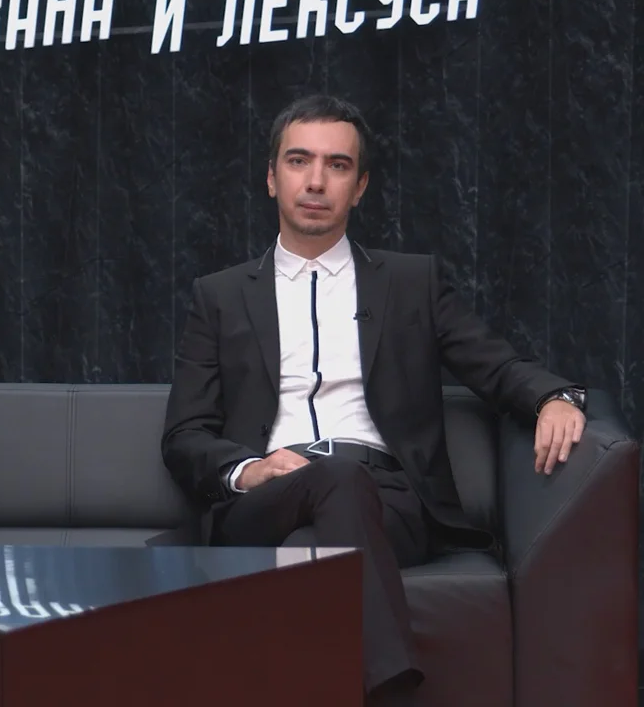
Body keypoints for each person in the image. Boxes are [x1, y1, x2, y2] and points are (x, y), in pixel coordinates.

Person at [160, 95, 586, 707]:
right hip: (265, 500)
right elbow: (185, 435)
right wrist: (251, 470)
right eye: (299, 161)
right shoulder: (220, 296)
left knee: (331, 500)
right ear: (272, 177)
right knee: (320, 500)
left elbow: (494, 364)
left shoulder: (411, 283)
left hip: (387, 498)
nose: (315, 181)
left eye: (336, 165)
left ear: (359, 187)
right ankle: (389, 690)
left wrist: (554, 397)